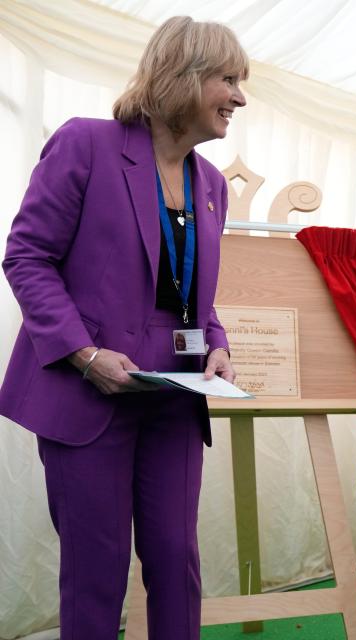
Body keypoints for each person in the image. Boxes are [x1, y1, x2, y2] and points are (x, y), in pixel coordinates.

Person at [0, 16, 246, 639]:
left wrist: (216, 345)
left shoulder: (212, 184)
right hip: (88, 394)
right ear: (183, 78)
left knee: (175, 559)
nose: (240, 98)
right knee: (96, 571)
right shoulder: (85, 144)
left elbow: (195, 297)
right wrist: (83, 354)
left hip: (174, 397)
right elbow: (27, 256)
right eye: (228, 79)